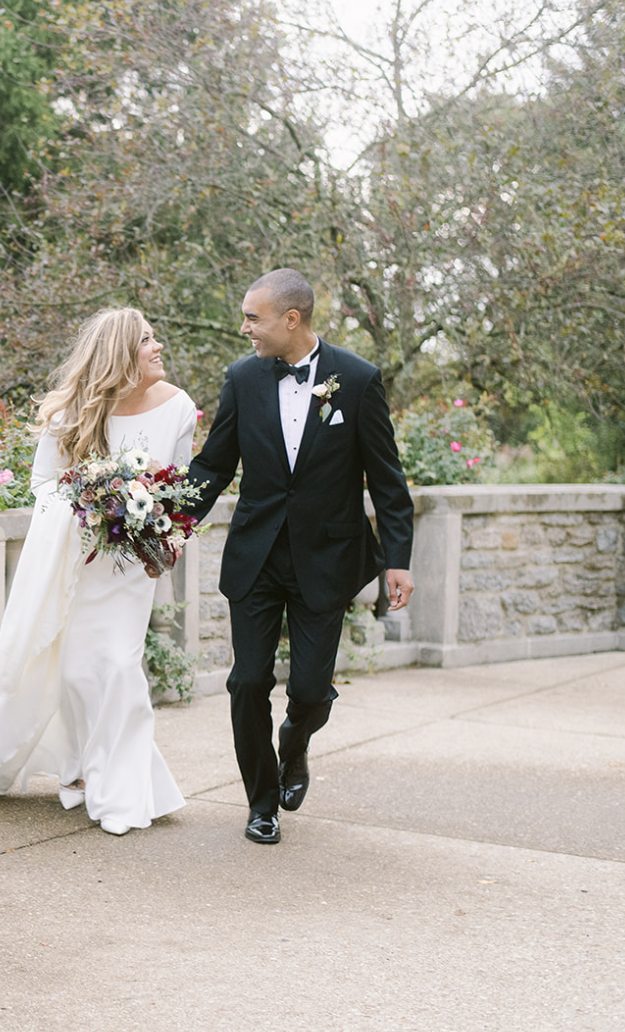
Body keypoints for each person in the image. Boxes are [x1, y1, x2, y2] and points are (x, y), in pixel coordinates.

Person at [183, 269, 415, 845]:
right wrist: (167, 525)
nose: (244, 329)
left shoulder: (357, 380)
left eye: (253, 318)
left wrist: (398, 558)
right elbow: (213, 465)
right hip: (256, 556)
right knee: (246, 683)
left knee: (310, 690)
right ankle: (261, 802)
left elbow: (387, 480)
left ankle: (296, 741)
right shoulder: (241, 378)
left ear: (292, 319)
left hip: (325, 558)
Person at [0, 308, 198, 835]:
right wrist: (95, 505)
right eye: (147, 340)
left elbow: (178, 488)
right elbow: (44, 482)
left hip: (131, 565)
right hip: (78, 559)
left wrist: (157, 522)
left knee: (117, 664)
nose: (158, 346)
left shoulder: (178, 407)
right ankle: (79, 772)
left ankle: (121, 793)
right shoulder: (70, 412)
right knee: (74, 672)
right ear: (120, 354)